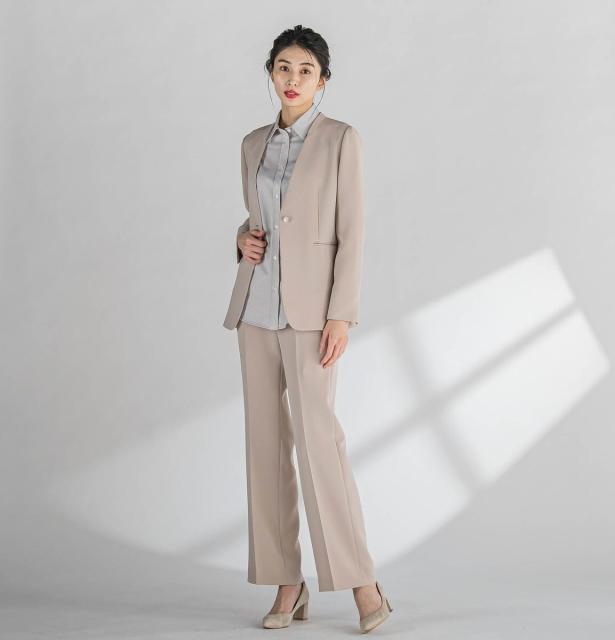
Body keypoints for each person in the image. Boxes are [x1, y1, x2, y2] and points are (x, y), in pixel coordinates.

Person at [222, 25, 393, 633]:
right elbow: (257, 219)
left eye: (305, 71)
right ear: (270, 72)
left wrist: (341, 312)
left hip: (312, 315)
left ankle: (362, 582)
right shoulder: (252, 143)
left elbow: (353, 230)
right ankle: (287, 584)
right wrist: (240, 241)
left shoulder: (341, 139)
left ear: (323, 81)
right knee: (265, 448)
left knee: (321, 443)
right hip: (255, 310)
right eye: (284, 67)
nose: (293, 79)